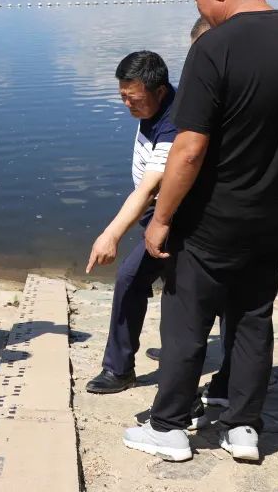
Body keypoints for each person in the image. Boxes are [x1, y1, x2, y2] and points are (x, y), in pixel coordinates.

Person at [123, 0, 278, 463]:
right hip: (273, 217)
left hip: (210, 219)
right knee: (253, 319)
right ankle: (243, 427)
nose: (198, 7)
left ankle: (169, 427)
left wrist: (161, 218)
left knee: (186, 319)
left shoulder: (213, 48)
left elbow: (190, 149)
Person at [83, 51, 176, 395]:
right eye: (122, 96)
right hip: (156, 214)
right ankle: (175, 351)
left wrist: (111, 235)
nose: (126, 104)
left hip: (171, 219)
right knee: (173, 287)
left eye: (133, 98)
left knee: (131, 278)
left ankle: (119, 370)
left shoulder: (174, 124)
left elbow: (150, 188)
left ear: (159, 91)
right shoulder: (154, 107)